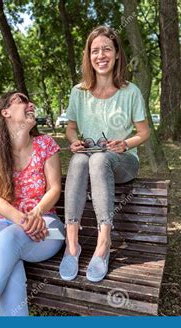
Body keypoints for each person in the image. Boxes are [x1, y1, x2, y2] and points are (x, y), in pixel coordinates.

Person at [59, 26, 151, 282]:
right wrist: (75, 141)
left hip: (122, 162)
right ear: (88, 57)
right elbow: (70, 128)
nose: (101, 55)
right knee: (79, 160)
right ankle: (72, 243)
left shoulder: (130, 91)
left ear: (117, 54)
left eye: (107, 49)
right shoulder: (78, 92)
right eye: (95, 50)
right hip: (89, 159)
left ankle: (103, 242)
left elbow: (144, 133)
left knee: (99, 159)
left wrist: (126, 143)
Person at [0, 91, 64, 316]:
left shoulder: (45, 144)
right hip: (2, 224)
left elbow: (55, 188)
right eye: (22, 100)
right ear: (5, 112)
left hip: (48, 227)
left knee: (8, 240)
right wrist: (21, 220)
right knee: (5, 255)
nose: (31, 104)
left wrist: (35, 214)